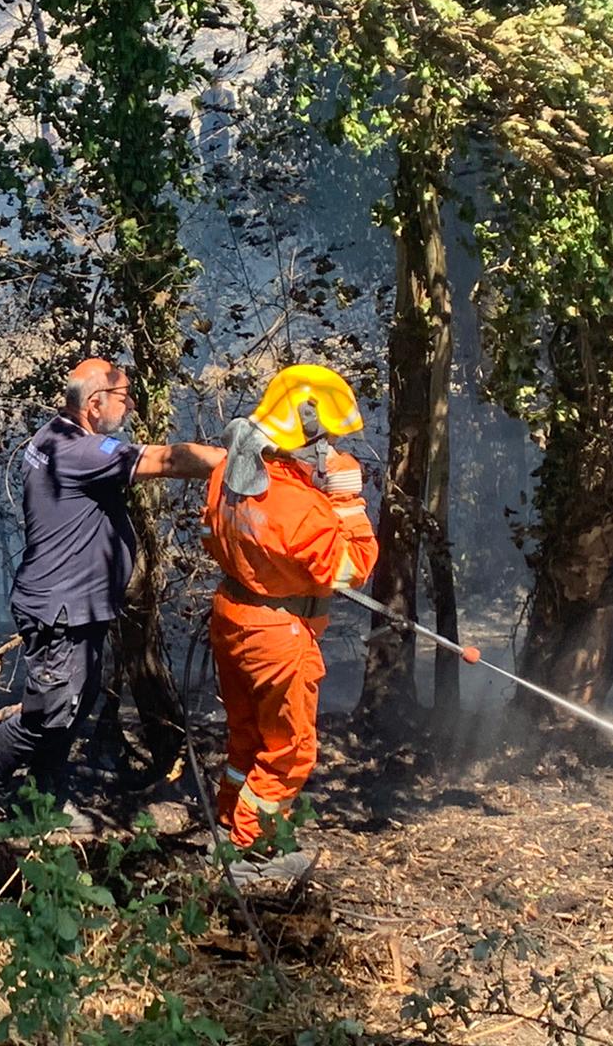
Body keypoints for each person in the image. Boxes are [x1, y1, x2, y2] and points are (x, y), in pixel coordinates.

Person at [0, 358, 224, 835]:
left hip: (76, 604)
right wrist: (240, 460)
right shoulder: (82, 451)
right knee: (48, 711)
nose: (130, 403)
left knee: (73, 703)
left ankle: (45, 802)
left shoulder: (54, 435)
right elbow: (170, 460)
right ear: (94, 405)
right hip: (61, 609)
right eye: (123, 395)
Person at [200, 364, 378, 876]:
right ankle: (249, 854)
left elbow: (214, 537)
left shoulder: (227, 475)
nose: (329, 448)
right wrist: (345, 498)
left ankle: (228, 826)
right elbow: (353, 567)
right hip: (278, 635)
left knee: (247, 738)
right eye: (326, 438)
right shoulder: (300, 507)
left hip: (232, 616)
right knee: (290, 751)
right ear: (306, 430)